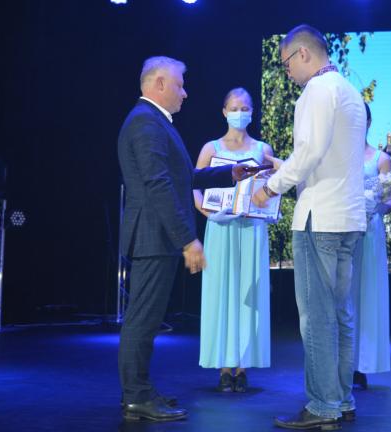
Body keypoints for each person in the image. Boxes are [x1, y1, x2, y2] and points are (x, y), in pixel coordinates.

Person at [117, 56, 251, 422]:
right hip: (152, 237)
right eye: (180, 84)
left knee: (147, 320)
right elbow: (158, 185)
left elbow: (180, 177)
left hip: (155, 236)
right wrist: (188, 240)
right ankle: (136, 397)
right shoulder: (146, 122)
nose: (185, 92)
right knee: (143, 321)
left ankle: (141, 391)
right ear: (159, 84)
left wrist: (229, 174)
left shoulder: (153, 120)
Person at [252, 25, 367, 430]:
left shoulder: (316, 90)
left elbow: (311, 153)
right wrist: (286, 166)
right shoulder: (349, 92)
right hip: (348, 218)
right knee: (341, 314)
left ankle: (322, 406)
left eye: (286, 64)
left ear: (302, 54)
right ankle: (342, 399)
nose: (287, 73)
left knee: (316, 318)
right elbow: (326, 157)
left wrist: (270, 186)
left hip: (319, 219)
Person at [193, 87, 273, 393]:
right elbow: (194, 186)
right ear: (225, 112)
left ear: (252, 112)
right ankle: (224, 367)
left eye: (245, 108)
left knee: (248, 293)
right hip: (220, 228)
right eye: (235, 108)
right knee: (221, 291)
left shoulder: (262, 149)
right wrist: (209, 213)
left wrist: (268, 205)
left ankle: (243, 366)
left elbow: (272, 185)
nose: (240, 113)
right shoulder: (211, 148)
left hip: (251, 229)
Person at [352, 103, 391, 391]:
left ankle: (362, 364)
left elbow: (389, 202)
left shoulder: (382, 159)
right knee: (345, 296)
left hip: (369, 232)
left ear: (368, 122)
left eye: (361, 118)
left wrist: (373, 206)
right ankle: (343, 361)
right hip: (343, 230)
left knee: (367, 294)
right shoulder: (339, 156)